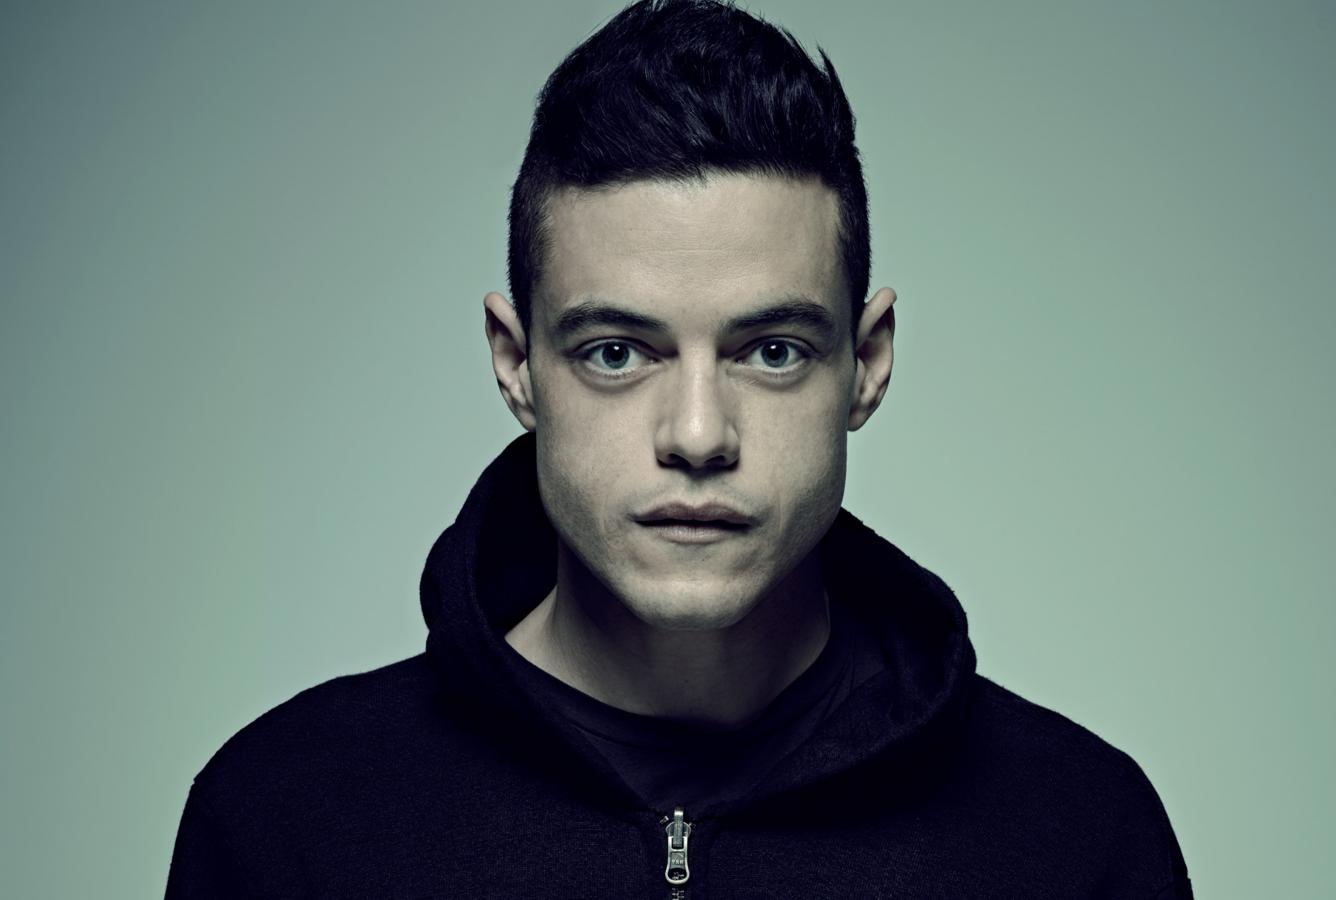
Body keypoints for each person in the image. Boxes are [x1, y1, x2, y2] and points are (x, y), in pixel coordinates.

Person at [165, 2, 1193, 897]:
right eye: (616, 353)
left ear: (867, 363)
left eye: (772, 351)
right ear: (517, 365)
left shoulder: (1077, 833)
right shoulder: (285, 820)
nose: (698, 435)